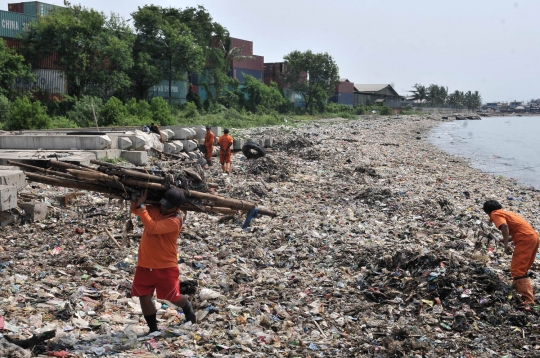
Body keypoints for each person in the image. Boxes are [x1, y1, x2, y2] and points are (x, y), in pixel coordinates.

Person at [131, 188, 196, 333]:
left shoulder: (175, 220)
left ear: (177, 207)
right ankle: (153, 329)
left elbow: (152, 227)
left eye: (167, 206)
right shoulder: (156, 210)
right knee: (143, 296)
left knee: (173, 297)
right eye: (162, 204)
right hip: (144, 264)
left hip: (166, 266)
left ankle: (187, 308)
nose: (163, 207)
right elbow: (136, 210)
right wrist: (134, 198)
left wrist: (142, 208)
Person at [483, 200, 540, 308]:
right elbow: (519, 230)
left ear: (487, 211)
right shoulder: (509, 213)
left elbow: (504, 226)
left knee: (517, 270)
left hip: (526, 239)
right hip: (534, 237)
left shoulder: (495, 214)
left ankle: (528, 301)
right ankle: (516, 289)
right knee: (522, 269)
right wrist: (506, 239)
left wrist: (505, 245)